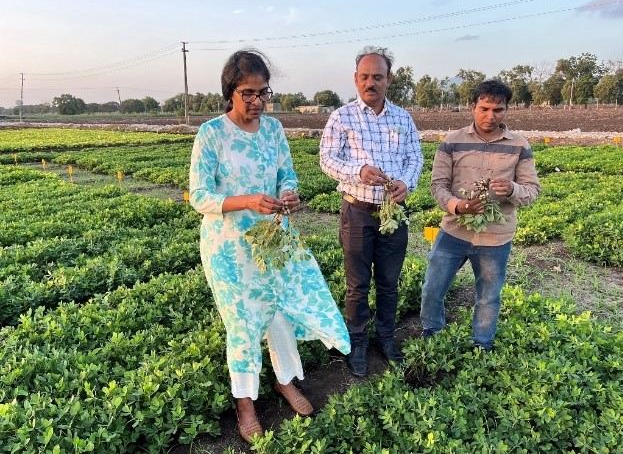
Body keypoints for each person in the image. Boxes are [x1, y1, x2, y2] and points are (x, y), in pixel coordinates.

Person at [189, 50, 350, 443]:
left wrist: (290, 193)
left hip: (274, 239)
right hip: (229, 248)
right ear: (230, 92)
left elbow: (287, 174)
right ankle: (245, 402)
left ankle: (285, 380)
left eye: (263, 92)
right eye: (248, 93)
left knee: (278, 313)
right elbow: (198, 196)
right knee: (242, 322)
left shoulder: (274, 130)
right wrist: (246, 200)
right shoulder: (211, 133)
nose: (257, 102)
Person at [320, 46, 423, 377]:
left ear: (389, 80)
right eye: (364, 77)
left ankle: (386, 338)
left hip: (394, 212)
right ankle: (358, 341)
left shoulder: (403, 118)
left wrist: (406, 183)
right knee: (358, 284)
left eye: (377, 77)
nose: (370, 83)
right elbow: (327, 160)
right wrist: (359, 171)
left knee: (389, 282)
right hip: (358, 212)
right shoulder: (341, 117)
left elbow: (414, 159)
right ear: (355, 79)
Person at [420, 80, 541, 350]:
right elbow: (437, 185)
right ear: (472, 107)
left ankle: (482, 345)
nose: (491, 116)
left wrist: (511, 189)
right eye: (484, 108)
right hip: (453, 231)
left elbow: (532, 191)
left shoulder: (519, 145)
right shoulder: (452, 142)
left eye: (498, 110)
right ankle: (432, 333)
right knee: (432, 288)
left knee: (488, 296)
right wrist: (458, 206)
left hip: (496, 238)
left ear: (507, 110)